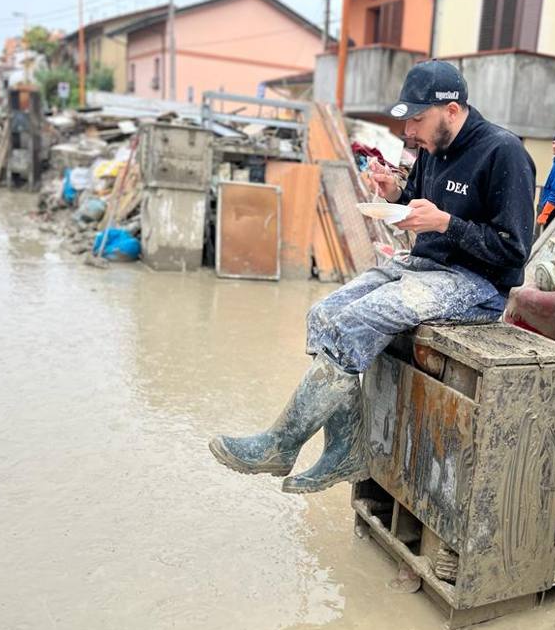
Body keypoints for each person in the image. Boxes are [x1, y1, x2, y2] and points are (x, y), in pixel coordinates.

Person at [207, 60, 536, 494]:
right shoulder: (433, 147)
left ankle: (281, 444)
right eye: (407, 121)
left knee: (355, 322)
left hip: (477, 285)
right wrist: (395, 192)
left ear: (452, 111)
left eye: (417, 120)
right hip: (425, 267)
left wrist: (446, 224)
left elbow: (514, 250)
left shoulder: (503, 152)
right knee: (322, 315)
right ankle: (345, 449)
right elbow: (416, 201)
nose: (409, 132)